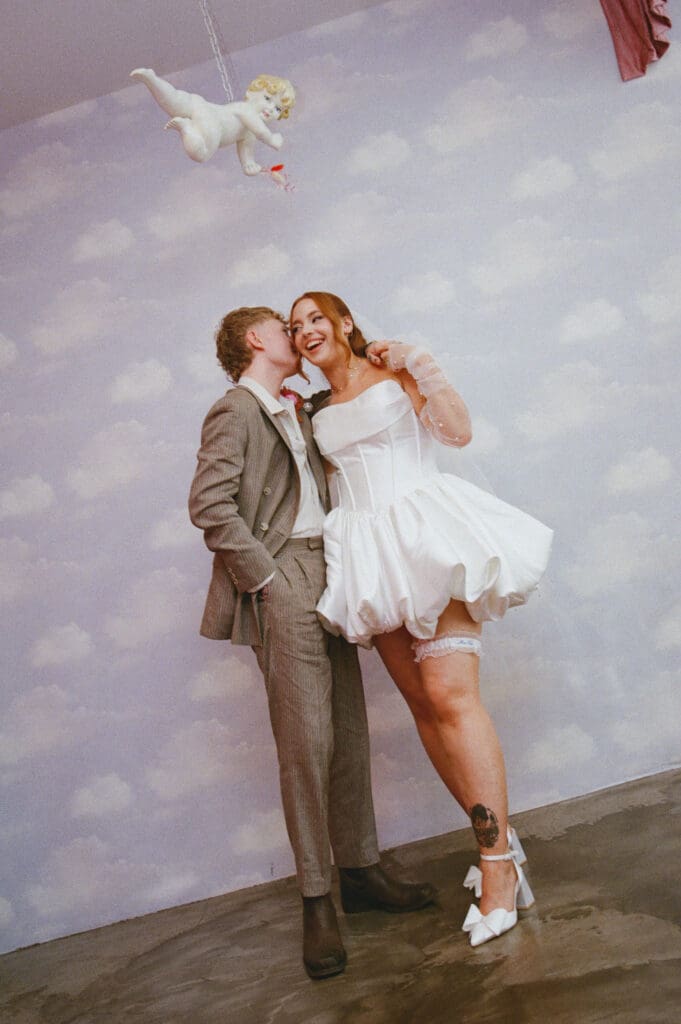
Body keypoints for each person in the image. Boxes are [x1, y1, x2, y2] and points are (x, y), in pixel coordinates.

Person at [290, 291, 553, 948]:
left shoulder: (397, 371)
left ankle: (495, 868)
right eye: (294, 328)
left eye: (315, 317)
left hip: (425, 537)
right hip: (369, 556)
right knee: (424, 709)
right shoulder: (316, 411)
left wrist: (423, 363)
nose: (305, 331)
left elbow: (457, 432)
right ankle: (499, 843)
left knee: (450, 696)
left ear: (344, 321)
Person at [188, 306, 435, 979]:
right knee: (306, 743)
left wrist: (375, 357)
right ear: (255, 340)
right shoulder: (234, 409)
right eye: (283, 328)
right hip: (282, 575)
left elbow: (347, 415)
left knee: (347, 731)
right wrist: (265, 578)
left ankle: (359, 870)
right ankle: (317, 898)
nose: (295, 338)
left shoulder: (294, 404)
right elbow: (210, 505)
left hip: (329, 567)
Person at [130, 69, 293, 173]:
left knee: (173, 100)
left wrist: (248, 164)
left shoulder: (248, 131)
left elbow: (246, 147)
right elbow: (261, 132)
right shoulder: (246, 110)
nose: (271, 108)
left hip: (204, 107)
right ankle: (186, 128)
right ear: (251, 94)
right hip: (214, 122)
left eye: (278, 109)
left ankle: (152, 79)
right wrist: (273, 140)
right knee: (201, 155)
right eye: (267, 98)